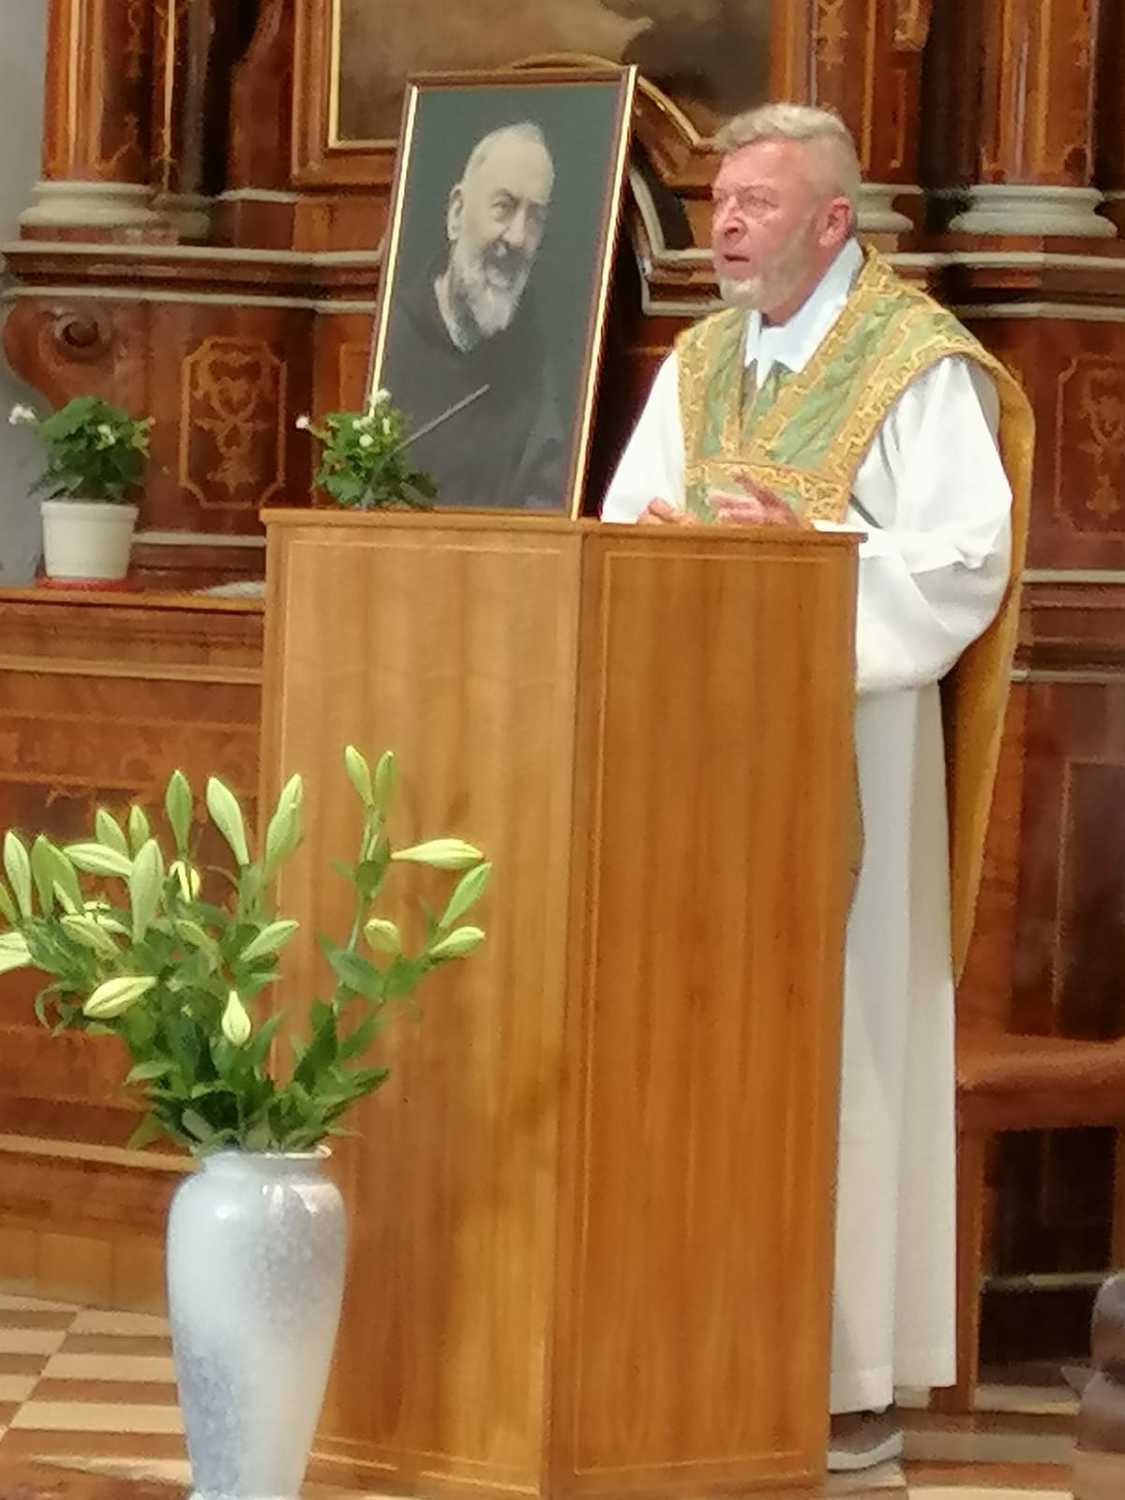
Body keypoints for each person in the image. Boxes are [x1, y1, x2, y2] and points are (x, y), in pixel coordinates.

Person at [601, 102, 1033, 1472]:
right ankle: (692, 1343)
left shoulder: (915, 363)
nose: (724, 226)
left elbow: (966, 560)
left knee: (846, 1050)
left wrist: (817, 554)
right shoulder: (702, 360)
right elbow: (622, 530)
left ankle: (843, 1378)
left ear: (833, 220)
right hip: (697, 772)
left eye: (756, 204)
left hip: (851, 773)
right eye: (719, 201)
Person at [381, 121, 566, 511]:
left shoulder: (538, 367)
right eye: (504, 207)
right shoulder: (386, 342)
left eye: (535, 218)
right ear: (456, 214)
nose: (517, 237)